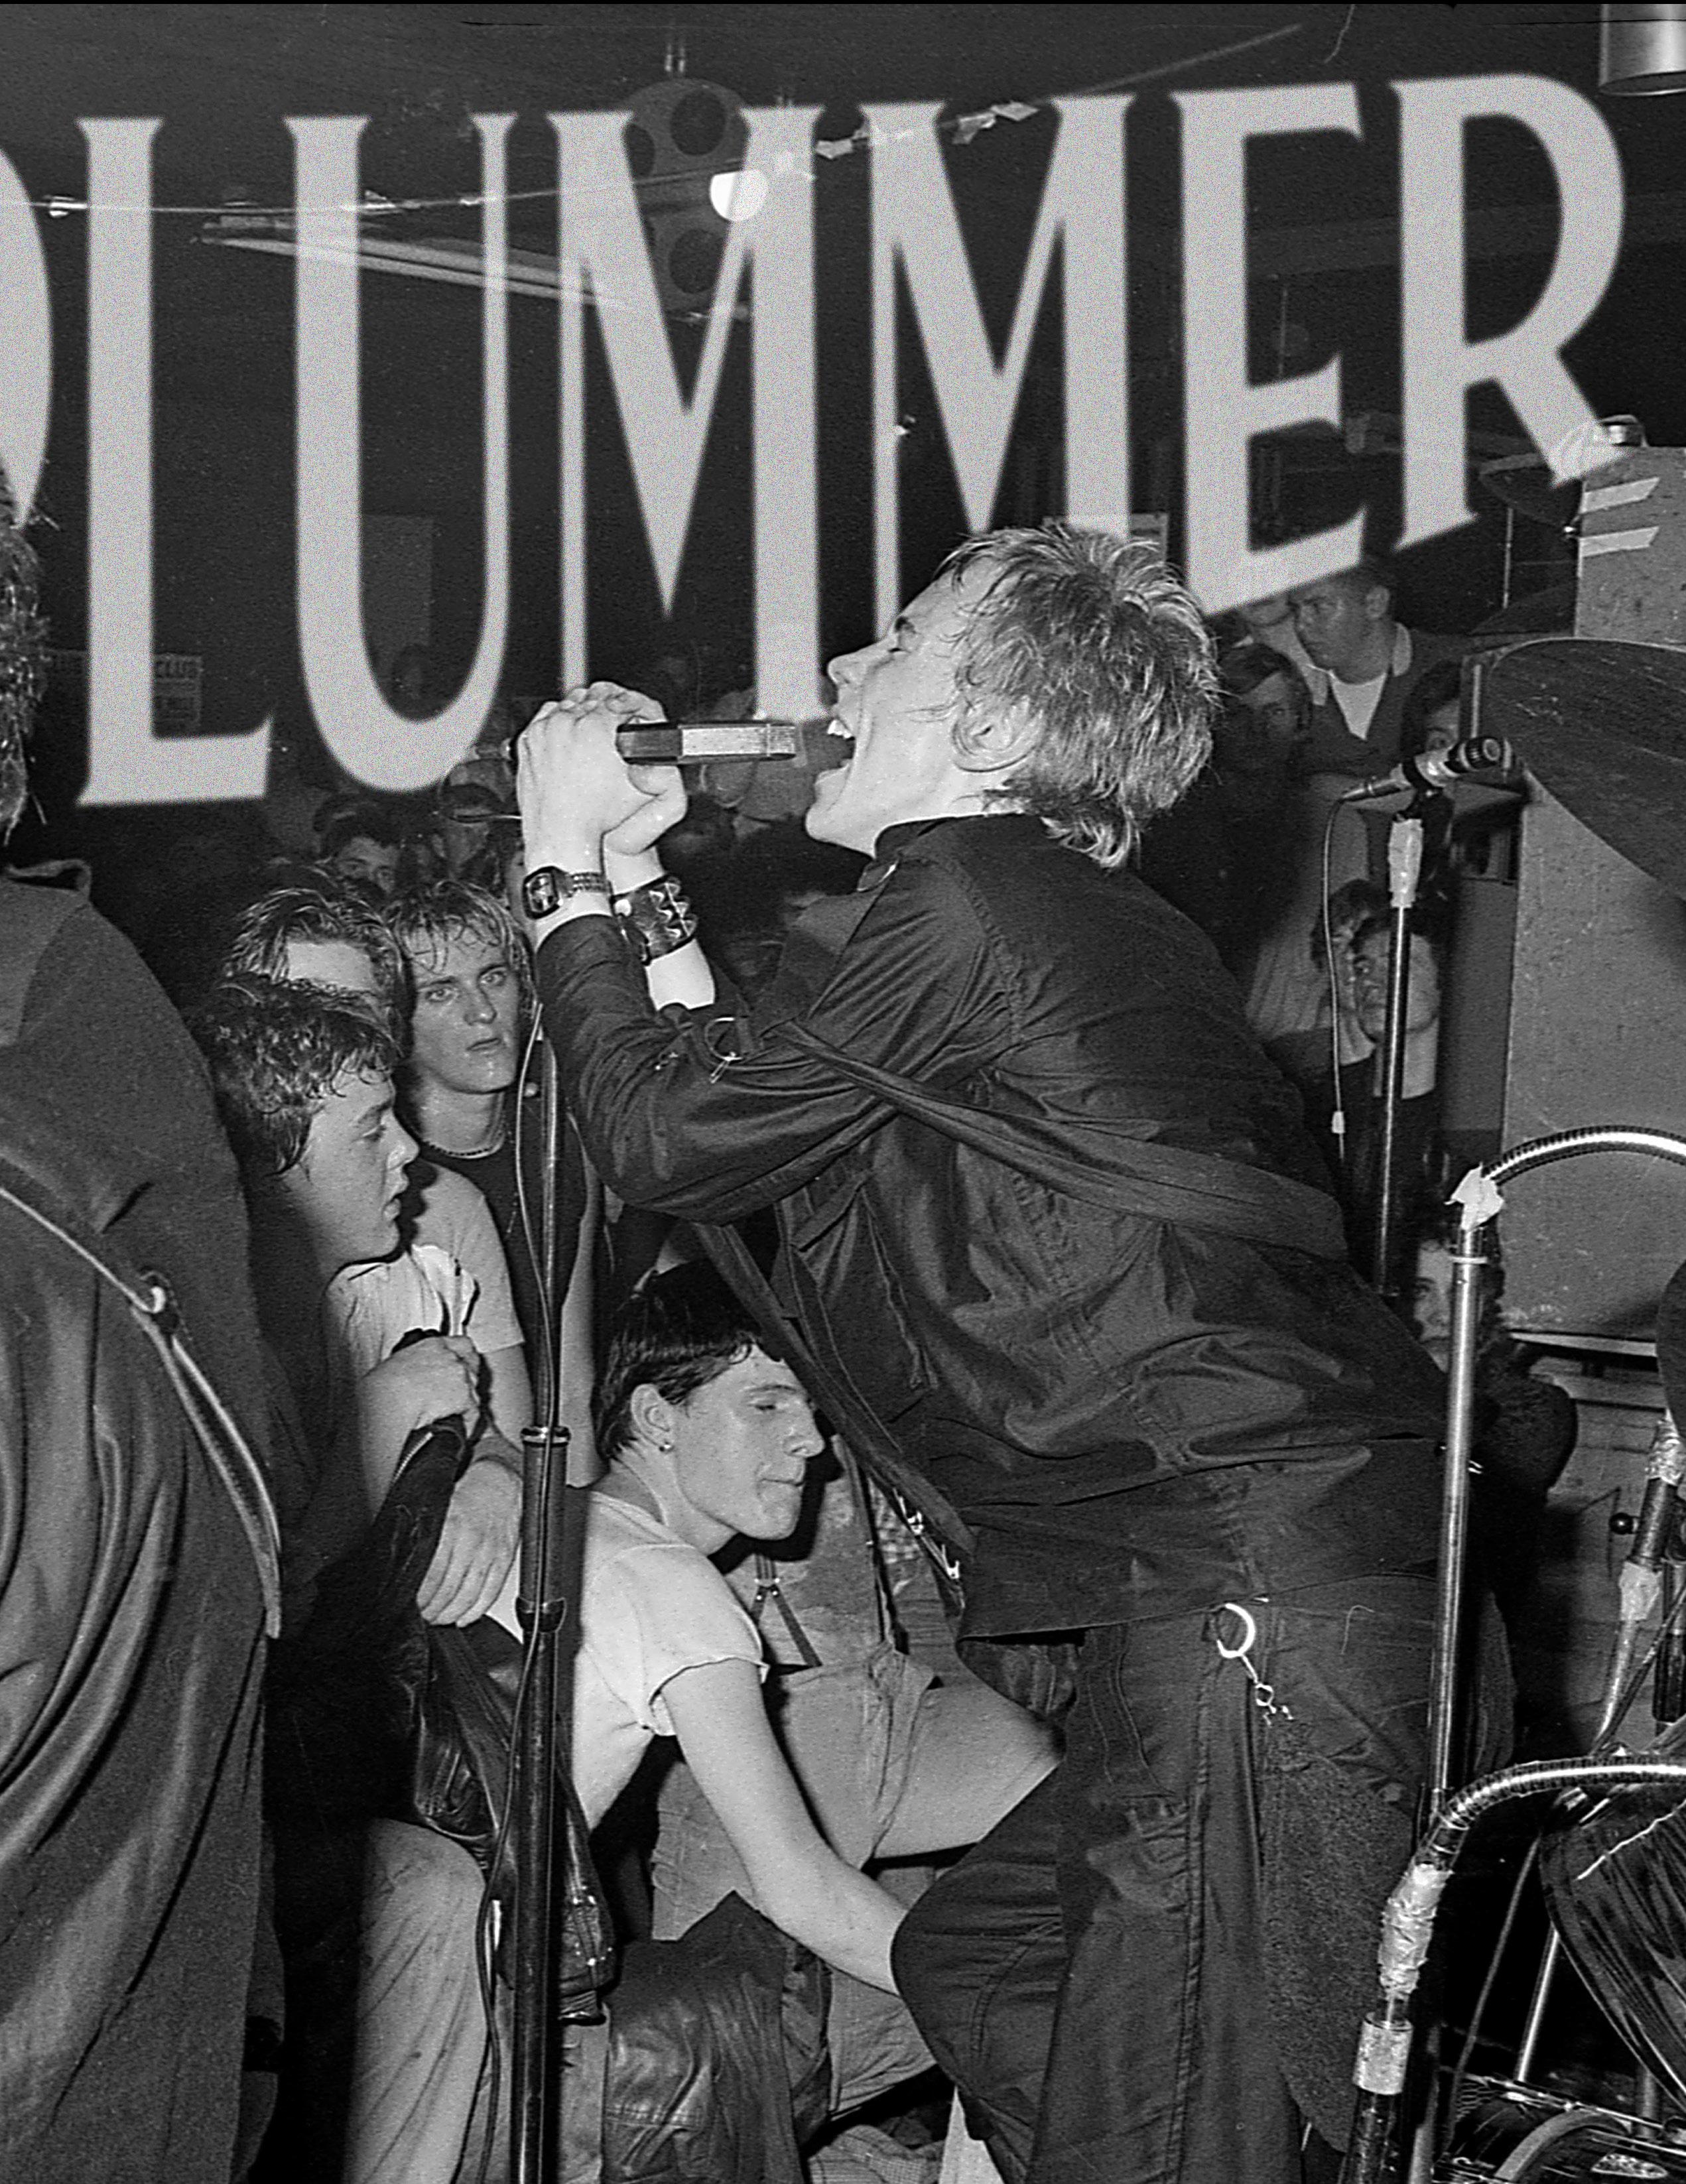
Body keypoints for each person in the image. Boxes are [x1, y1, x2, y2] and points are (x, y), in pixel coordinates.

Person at [516, 520, 1455, 2184]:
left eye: (892, 643)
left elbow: (664, 1139)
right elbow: (767, 1122)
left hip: (1250, 1605)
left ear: (998, 727)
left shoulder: (964, 892)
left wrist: (557, 873)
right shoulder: (1043, 911)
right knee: (982, 1963)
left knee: (1163, 2139)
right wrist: (645, 894)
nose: (840, 670)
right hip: (1269, 1583)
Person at [194, 975, 513, 2184]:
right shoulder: (202, 1330)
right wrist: (380, 1430)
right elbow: (251, 1617)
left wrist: (488, 1466)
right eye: (372, 1130)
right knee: (422, 1890)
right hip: (218, 1805)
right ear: (275, 1163)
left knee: (443, 1877)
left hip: (321, 1759)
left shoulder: (375, 1292)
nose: (408, 1157)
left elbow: (492, 1414)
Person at [385, 878, 598, 1452]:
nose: (481, 1011)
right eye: (440, 992)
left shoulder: (556, 1139)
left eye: (494, 977)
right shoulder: (390, 1177)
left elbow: (571, 1382)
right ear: (396, 1019)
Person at [1288, 556, 1464, 786]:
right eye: (1295, 611)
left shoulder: (1465, 668)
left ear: (1375, 604)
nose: (1301, 626)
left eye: (1319, 607)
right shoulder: (1292, 692)